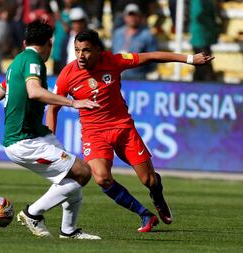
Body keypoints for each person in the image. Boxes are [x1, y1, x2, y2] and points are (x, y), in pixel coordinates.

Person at [46, 29, 214, 232]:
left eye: (86, 50)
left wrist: (189, 59)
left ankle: (157, 194)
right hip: (94, 133)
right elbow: (52, 106)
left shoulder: (114, 61)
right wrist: (51, 139)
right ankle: (145, 215)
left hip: (123, 128)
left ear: (99, 50)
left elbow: (151, 56)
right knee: (101, 177)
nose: (81, 56)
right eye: (77, 50)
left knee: (148, 179)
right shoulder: (67, 74)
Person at [0, 20, 101, 240]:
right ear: (49, 44)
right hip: (24, 140)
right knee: (82, 172)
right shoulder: (33, 60)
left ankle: (69, 231)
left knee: (72, 179)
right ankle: (32, 213)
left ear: (25, 41)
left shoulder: (16, 63)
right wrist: (74, 103)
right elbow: (34, 92)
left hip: (37, 133)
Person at [112, 3, 158, 80]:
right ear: (125, 17)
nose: (132, 18)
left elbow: (153, 60)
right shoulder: (117, 33)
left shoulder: (147, 35)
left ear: (140, 17)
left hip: (138, 78)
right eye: (130, 15)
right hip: (118, 77)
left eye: (135, 15)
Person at [189, 0, 220, 81]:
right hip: (201, 37)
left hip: (203, 37)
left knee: (200, 70)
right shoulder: (199, 2)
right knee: (205, 70)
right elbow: (198, 15)